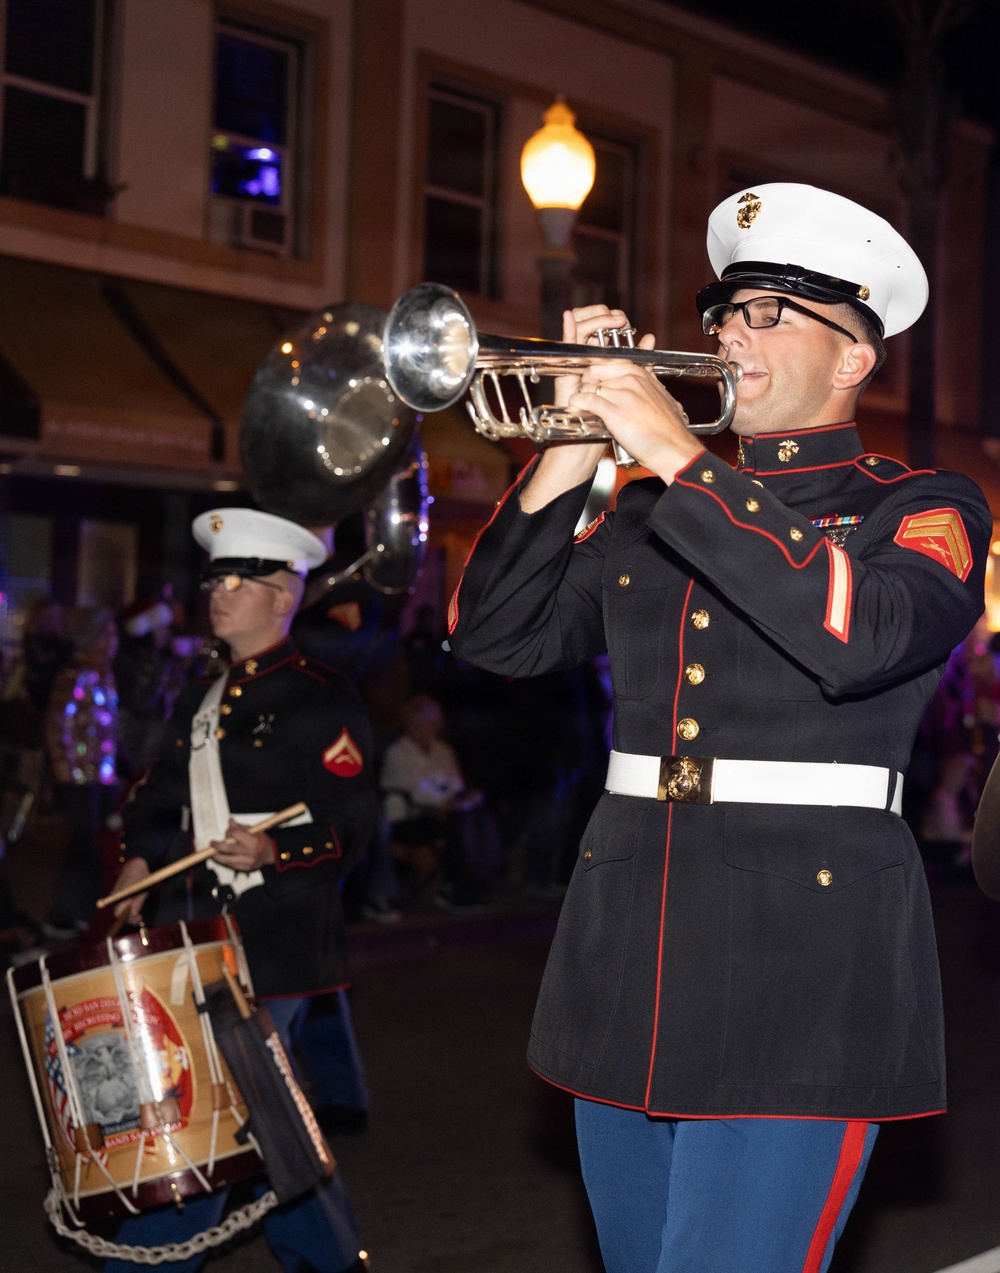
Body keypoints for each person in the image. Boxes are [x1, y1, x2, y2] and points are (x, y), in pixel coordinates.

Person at [447, 183, 992, 1272]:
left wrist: (676, 455)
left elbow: (861, 637)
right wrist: (566, 444)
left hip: (803, 978)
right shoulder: (648, 508)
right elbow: (494, 639)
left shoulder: (918, 505)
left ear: (854, 358)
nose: (733, 338)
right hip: (626, 962)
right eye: (726, 316)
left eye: (772, 315)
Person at [107, 507, 374, 1273]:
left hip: (281, 941)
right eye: (214, 579)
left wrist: (274, 846)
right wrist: (136, 860)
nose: (218, 592)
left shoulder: (322, 697)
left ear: (285, 594)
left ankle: (143, 1265)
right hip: (200, 935)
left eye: (238, 580)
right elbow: (157, 796)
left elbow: (352, 825)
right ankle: (327, 1257)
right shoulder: (200, 697)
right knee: (268, 1114)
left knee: (221, 1112)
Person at [380, 695, 491, 907]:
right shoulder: (397, 753)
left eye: (433, 720)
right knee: (449, 828)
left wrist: (450, 797)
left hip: (444, 813)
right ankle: (457, 888)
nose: (428, 725)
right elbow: (413, 790)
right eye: (423, 720)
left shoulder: (443, 751)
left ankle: (468, 884)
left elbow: (454, 784)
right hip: (408, 819)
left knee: (475, 818)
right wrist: (441, 796)